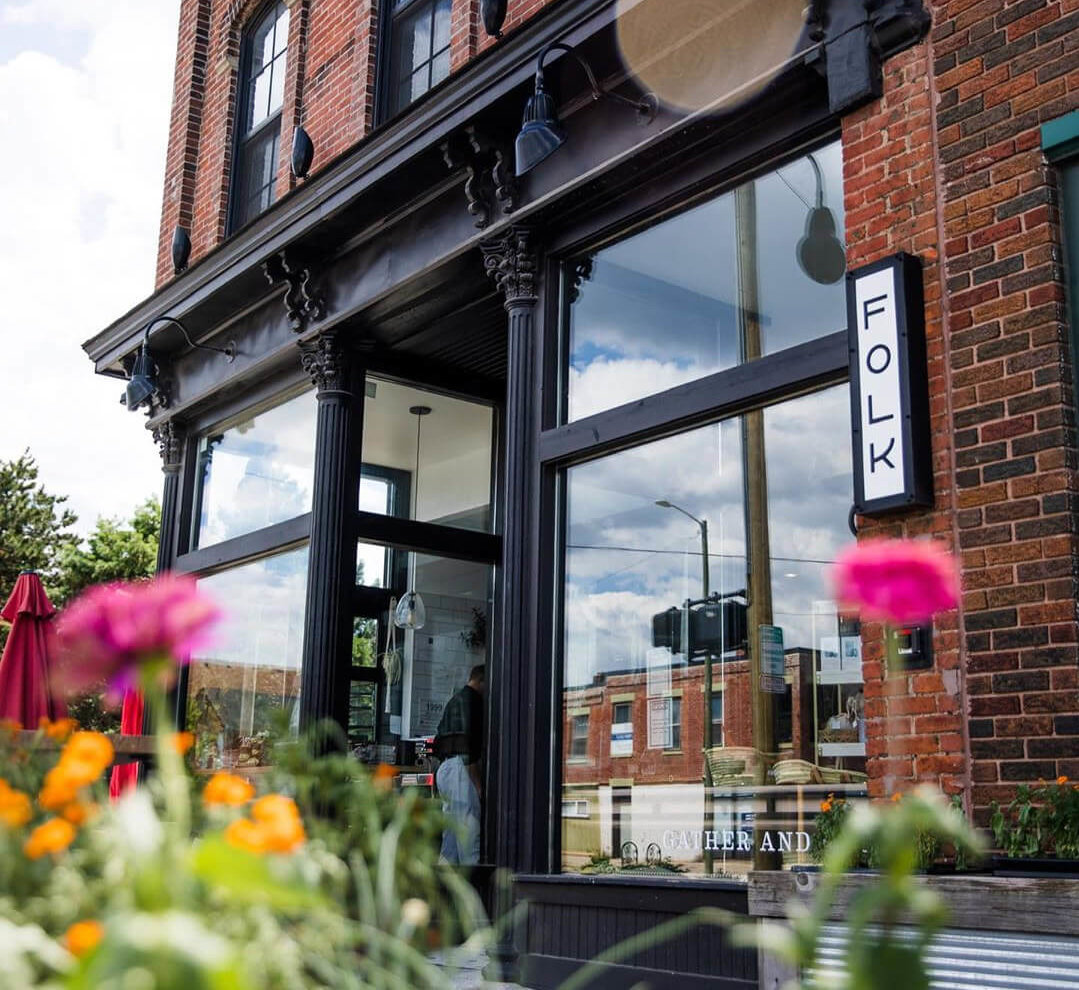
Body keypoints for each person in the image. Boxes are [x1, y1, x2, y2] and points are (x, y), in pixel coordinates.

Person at [433, 664, 485, 865]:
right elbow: (467, 746)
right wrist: (478, 784)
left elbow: (440, 737)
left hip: (445, 768)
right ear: (481, 681)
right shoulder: (472, 701)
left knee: (451, 834)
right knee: (468, 829)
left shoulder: (454, 699)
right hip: (460, 768)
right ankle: (472, 887)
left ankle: (445, 884)